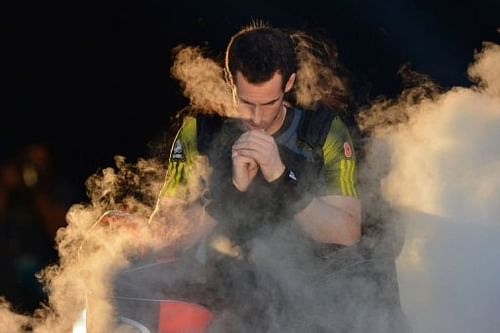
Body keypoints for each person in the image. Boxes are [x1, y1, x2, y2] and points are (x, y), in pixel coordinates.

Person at [143, 23, 362, 331]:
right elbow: (163, 236)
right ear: (230, 80)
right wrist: (228, 193)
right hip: (224, 299)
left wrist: (282, 177)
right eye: (246, 102)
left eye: (269, 103)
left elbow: (347, 232)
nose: (257, 118)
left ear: (289, 83)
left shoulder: (322, 131)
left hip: (308, 299)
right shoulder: (201, 132)